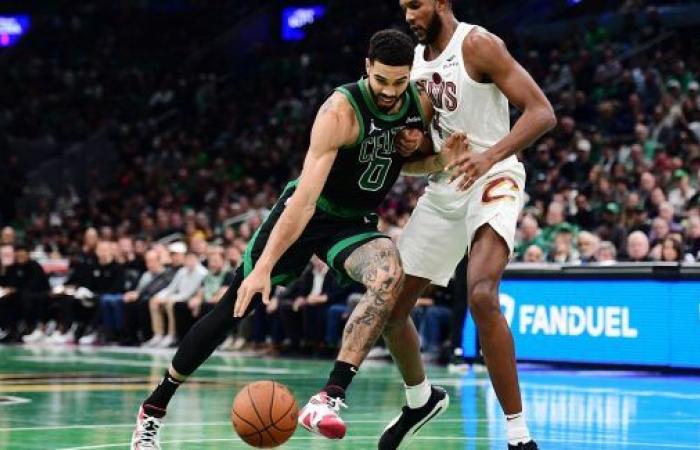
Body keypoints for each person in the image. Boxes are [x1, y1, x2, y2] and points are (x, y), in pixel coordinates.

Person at [131, 29, 469, 449]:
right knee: (236, 307)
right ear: (367, 68)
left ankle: (328, 397)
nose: (389, 90)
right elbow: (305, 201)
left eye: (399, 81)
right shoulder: (340, 111)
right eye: (382, 80)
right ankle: (153, 409)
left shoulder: (417, 104)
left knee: (388, 275)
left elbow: (405, 167)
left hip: (354, 223)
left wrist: (438, 159)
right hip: (307, 213)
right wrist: (264, 268)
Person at [379, 2, 556, 450]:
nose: (408, 15)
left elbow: (541, 112)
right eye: (402, 7)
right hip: (446, 185)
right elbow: (414, 160)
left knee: (480, 294)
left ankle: (519, 437)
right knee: (388, 308)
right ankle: (419, 400)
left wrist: (488, 156)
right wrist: (410, 149)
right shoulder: (414, 64)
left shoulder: (476, 44)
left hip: (494, 175)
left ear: (442, 1)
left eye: (416, 4)